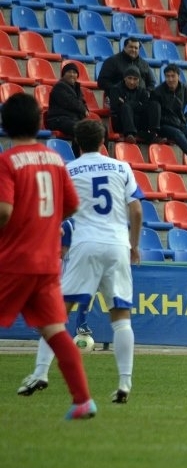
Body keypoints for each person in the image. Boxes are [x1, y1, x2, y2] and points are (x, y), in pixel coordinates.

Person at [18, 119, 143, 405]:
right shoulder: (122, 167)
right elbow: (136, 210)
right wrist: (134, 245)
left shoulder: (68, 169)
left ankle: (40, 373)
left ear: (76, 142)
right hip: (118, 245)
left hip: (85, 243)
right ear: (103, 141)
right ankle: (124, 383)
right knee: (121, 318)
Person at [0, 93, 95, 420]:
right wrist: (46, 223)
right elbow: (71, 205)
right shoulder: (55, 159)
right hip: (47, 261)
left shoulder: (8, 161)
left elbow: (4, 211)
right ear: (39, 123)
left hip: (15, 260)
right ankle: (82, 401)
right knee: (55, 331)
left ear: (6, 124)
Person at [108, 66, 162, 144]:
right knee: (125, 107)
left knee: (155, 104)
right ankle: (129, 134)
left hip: (139, 121)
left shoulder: (142, 91)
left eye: (135, 79)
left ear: (139, 80)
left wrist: (127, 102)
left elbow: (145, 106)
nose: (132, 82)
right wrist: (137, 104)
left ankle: (154, 133)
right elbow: (115, 107)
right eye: (129, 78)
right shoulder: (115, 89)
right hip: (121, 122)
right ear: (124, 78)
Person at [46, 63, 89, 153]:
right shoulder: (59, 87)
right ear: (63, 74)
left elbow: (83, 103)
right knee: (80, 128)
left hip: (72, 119)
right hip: (58, 119)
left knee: (102, 129)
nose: (72, 74)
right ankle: (77, 156)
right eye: (69, 72)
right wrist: (84, 110)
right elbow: (71, 102)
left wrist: (85, 110)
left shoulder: (77, 88)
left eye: (74, 72)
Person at [61, 218, 93, 337]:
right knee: (64, 298)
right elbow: (63, 251)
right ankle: (52, 324)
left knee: (87, 293)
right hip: (70, 266)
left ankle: (81, 324)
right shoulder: (68, 224)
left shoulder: (92, 223)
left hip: (86, 265)